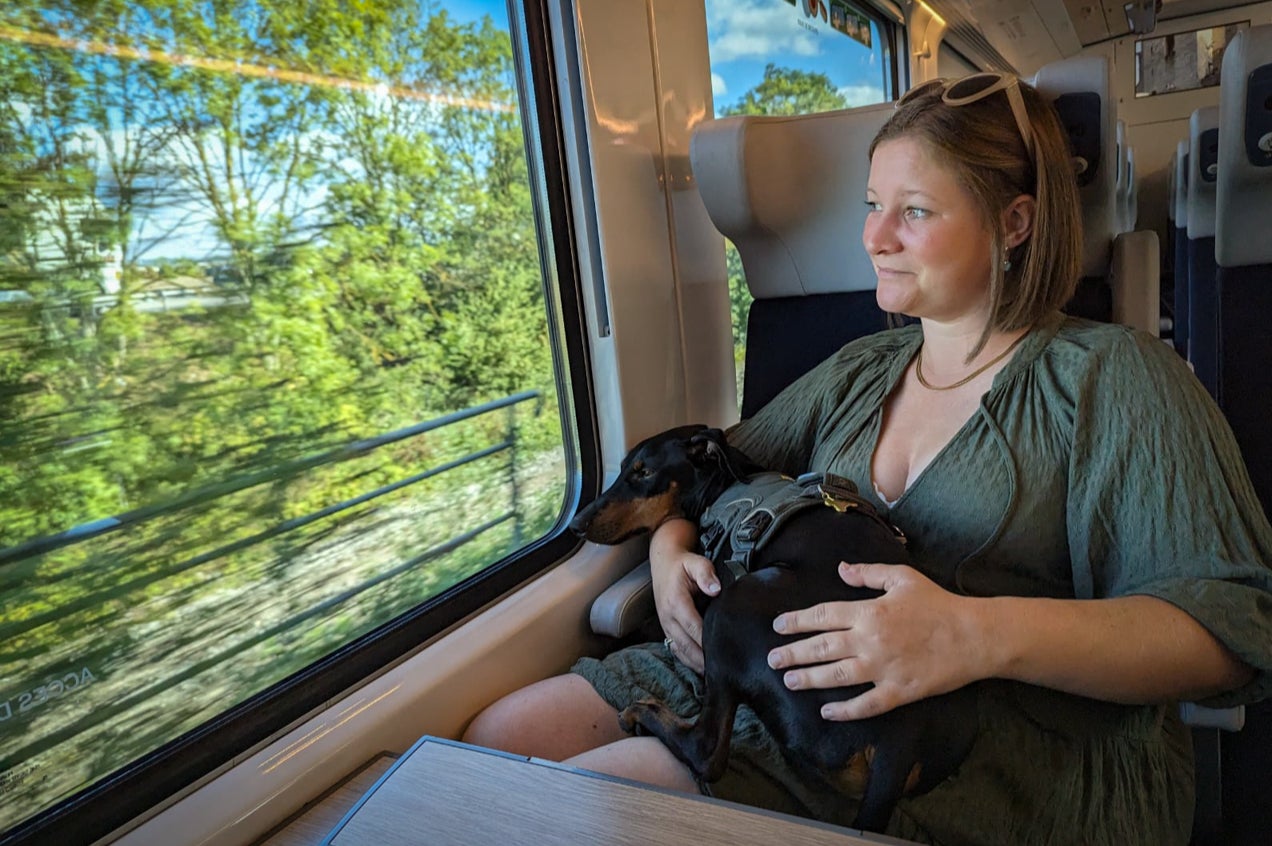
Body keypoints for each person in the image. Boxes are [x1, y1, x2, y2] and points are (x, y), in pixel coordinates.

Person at [463, 72, 1272, 844]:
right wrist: (672, 547)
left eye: (913, 211)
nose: (874, 237)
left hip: (983, 740)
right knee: (493, 739)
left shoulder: (1117, 379)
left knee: (590, 814)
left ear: (1015, 222)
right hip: (779, 671)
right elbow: (710, 466)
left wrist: (972, 634)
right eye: (872, 205)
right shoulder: (862, 368)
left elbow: (1230, 631)